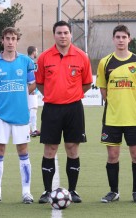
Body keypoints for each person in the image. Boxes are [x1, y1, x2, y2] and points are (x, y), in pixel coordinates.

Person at [35, 20, 93, 204]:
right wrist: (54, 96)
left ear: (70, 34)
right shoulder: (44, 57)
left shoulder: (81, 56)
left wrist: (71, 95)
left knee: (72, 149)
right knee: (50, 149)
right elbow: (40, 83)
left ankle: (73, 190)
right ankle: (46, 191)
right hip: (52, 109)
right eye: (59, 33)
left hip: (74, 109)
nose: (63, 36)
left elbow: (87, 83)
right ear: (54, 35)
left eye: (66, 32)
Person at [96, 25, 136, 203]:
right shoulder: (105, 62)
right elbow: (103, 89)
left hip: (133, 117)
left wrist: (132, 102)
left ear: (129, 39)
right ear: (113, 39)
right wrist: (115, 104)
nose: (120, 40)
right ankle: (114, 192)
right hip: (112, 118)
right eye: (117, 37)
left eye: (123, 37)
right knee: (112, 156)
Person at [0, 27, 36, 204]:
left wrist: (19, 97)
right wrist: (2, 103)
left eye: (13, 38)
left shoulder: (26, 61)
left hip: (21, 114)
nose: (10, 42)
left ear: (17, 40)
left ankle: (26, 192)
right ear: (2, 40)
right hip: (0, 115)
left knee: (23, 151)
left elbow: (32, 84)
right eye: (7, 38)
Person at [27, 46, 40, 137]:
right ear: (33, 52)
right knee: (32, 109)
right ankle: (32, 129)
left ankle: (29, 129)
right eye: (37, 51)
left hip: (30, 89)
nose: (37, 53)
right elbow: (29, 76)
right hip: (31, 89)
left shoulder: (27, 60)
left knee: (29, 109)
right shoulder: (29, 62)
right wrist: (31, 88)